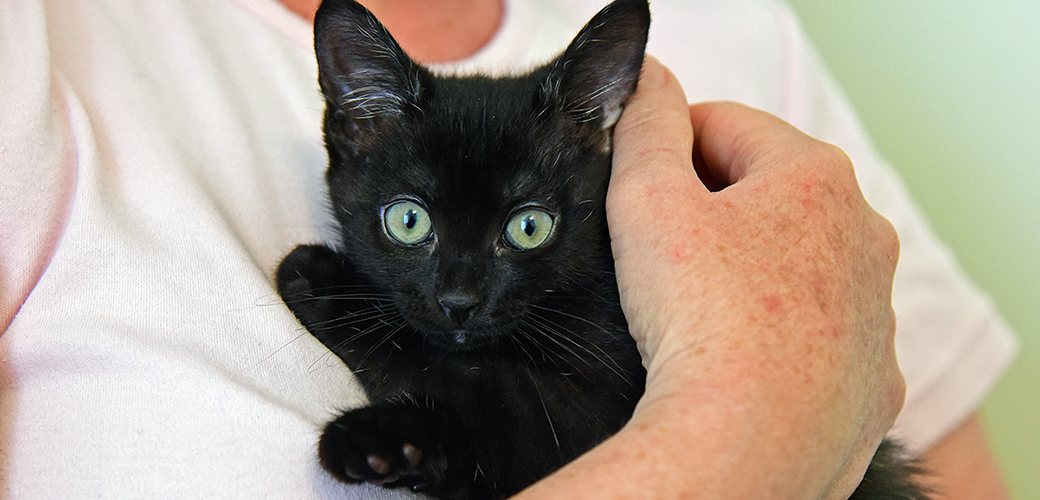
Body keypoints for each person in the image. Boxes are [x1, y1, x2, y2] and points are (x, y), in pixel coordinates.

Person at [0, 0, 1015, 499]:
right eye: (408, 227)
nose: (457, 293)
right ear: (349, 129)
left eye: (527, 231)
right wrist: (745, 432)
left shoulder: (735, 28)